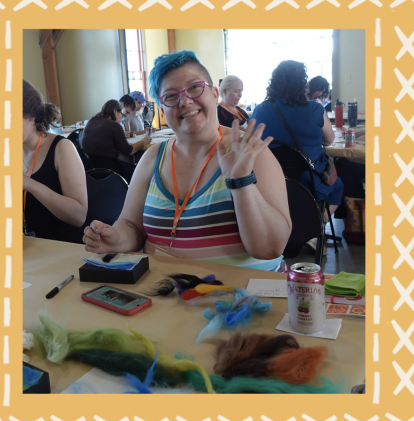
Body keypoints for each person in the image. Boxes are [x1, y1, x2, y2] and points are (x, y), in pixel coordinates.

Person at [83, 50, 291, 271]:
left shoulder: (249, 152)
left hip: (241, 300)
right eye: (171, 96)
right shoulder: (153, 157)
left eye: (194, 87)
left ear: (214, 94)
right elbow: (131, 225)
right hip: (163, 294)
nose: (185, 101)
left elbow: (270, 248)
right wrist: (115, 238)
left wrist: (241, 180)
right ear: (162, 109)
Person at [251, 61, 344, 254]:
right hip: (308, 180)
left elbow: (253, 141)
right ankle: (315, 228)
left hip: (269, 181)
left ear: (273, 83)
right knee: (338, 185)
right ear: (303, 84)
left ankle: (290, 228)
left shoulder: (261, 109)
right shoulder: (316, 109)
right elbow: (330, 139)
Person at [22, 80, 88, 242]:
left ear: (31, 116)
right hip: (28, 249)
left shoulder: (62, 148)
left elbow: (79, 216)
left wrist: (29, 184)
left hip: (61, 247)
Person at [80, 99, 151, 161]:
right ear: (115, 111)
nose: (122, 118)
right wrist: (143, 141)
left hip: (91, 168)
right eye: (122, 115)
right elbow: (128, 151)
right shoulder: (114, 125)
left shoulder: (91, 121)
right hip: (110, 169)